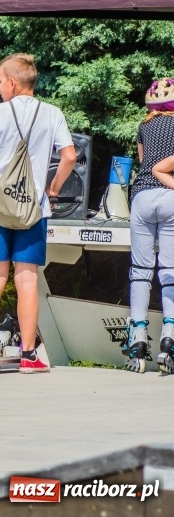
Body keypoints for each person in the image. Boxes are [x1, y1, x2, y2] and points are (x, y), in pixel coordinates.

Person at [0, 53, 76, 374]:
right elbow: (69, 156)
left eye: (0, 81)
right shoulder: (52, 113)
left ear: (13, 83)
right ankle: (28, 355)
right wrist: (53, 187)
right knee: (26, 278)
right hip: (33, 209)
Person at [124, 78, 174, 374]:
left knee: (141, 270)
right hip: (170, 196)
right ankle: (169, 337)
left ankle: (138, 341)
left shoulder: (144, 125)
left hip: (142, 196)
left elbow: (144, 162)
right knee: (170, 270)